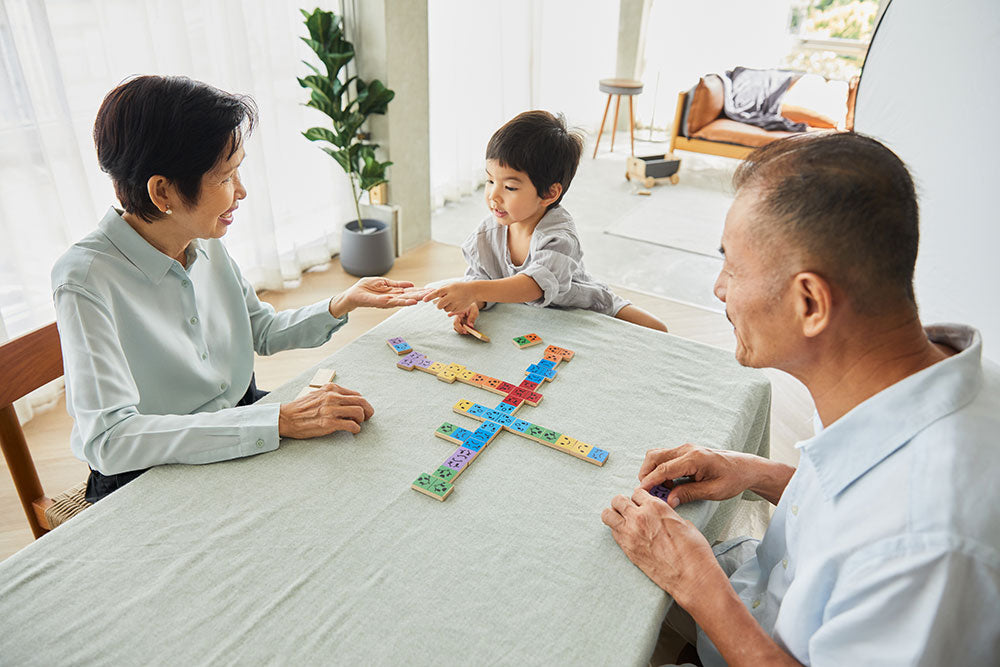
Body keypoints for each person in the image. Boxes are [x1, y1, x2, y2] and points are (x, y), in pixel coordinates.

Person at [601, 132, 1000, 665]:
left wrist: (694, 582)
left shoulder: (929, 543)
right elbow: (850, 520)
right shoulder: (915, 379)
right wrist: (753, 472)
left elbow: (880, 530)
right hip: (758, 591)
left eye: (732, 268)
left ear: (809, 302)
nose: (719, 289)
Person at [53, 75, 427, 502]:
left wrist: (343, 302)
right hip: (148, 468)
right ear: (162, 192)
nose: (242, 191)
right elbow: (111, 440)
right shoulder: (84, 280)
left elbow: (260, 330)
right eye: (227, 177)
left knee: (363, 473)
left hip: (243, 414)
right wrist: (277, 421)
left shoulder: (200, 238)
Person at [422, 110, 667, 333]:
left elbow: (535, 285)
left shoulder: (559, 234)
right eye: (489, 181)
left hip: (583, 304)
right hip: (538, 322)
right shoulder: (486, 234)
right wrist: (474, 302)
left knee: (657, 329)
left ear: (550, 193)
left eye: (509, 187)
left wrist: (474, 291)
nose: (494, 195)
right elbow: (482, 279)